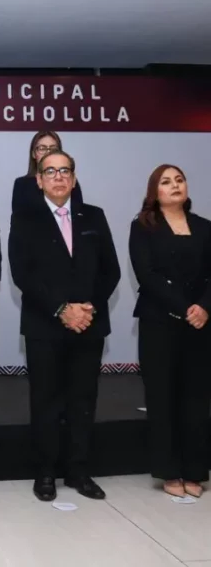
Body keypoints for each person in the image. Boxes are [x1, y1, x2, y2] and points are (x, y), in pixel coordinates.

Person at [9, 150, 120, 502]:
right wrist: (61, 310)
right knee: (46, 401)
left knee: (83, 400)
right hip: (45, 326)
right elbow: (22, 273)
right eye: (50, 171)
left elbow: (111, 271)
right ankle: (45, 473)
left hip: (89, 325)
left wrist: (85, 310)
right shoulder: (25, 218)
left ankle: (79, 471)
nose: (58, 176)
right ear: (39, 179)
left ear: (73, 178)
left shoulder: (94, 216)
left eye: (65, 171)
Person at [129, 164, 211, 498]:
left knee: (196, 399)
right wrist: (183, 307)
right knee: (162, 398)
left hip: (201, 324)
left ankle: (194, 470)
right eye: (166, 182)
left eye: (179, 180)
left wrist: (204, 307)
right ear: (154, 191)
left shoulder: (205, 227)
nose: (175, 185)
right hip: (160, 322)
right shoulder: (143, 227)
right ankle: (169, 471)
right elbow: (146, 275)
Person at [11, 131, 84, 215]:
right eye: (42, 148)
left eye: (53, 149)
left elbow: (79, 216)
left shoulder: (68, 181)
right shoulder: (22, 184)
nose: (48, 153)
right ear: (33, 154)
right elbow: (19, 221)